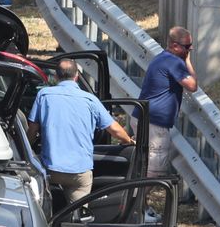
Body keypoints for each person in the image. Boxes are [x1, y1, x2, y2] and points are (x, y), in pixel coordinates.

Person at [27, 59, 134, 204]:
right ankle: (76, 223)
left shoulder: (44, 95)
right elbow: (115, 129)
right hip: (79, 171)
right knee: (78, 214)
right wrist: (128, 141)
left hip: (50, 169)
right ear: (76, 76)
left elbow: (32, 130)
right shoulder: (90, 100)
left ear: (56, 76)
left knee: (41, 207)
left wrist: (27, 149)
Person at [135, 26, 197, 177]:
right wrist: (188, 61)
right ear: (175, 46)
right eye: (188, 46)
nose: (191, 49)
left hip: (143, 118)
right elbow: (193, 86)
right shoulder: (174, 62)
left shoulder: (162, 58)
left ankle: (135, 199)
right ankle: (130, 200)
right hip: (155, 124)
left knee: (144, 168)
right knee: (155, 172)